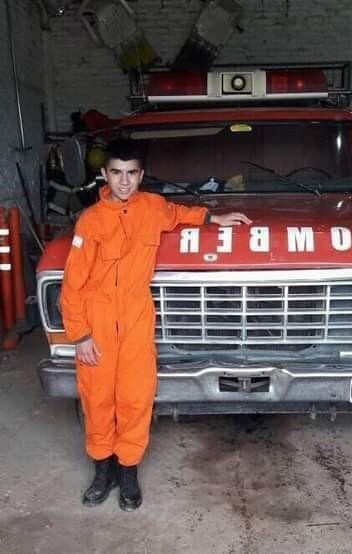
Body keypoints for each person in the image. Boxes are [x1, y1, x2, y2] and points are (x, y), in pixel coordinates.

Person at [60, 138, 251, 511]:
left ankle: (128, 472)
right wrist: (80, 334)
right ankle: (103, 471)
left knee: (135, 398)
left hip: (136, 317)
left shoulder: (152, 207)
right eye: (116, 173)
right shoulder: (91, 221)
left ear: (141, 175)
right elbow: (72, 284)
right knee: (98, 400)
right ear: (104, 175)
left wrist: (213, 218)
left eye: (132, 173)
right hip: (97, 322)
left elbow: (180, 213)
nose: (125, 182)